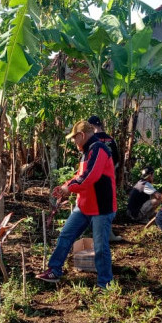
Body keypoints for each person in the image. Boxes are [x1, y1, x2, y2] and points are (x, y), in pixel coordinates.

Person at [36, 120, 117, 288]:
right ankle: (54, 270)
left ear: (82, 135)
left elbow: (90, 177)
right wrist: (66, 186)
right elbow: (80, 175)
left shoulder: (99, 149)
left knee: (101, 247)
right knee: (66, 236)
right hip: (85, 205)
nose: (73, 142)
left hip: (101, 207)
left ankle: (105, 283)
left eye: (74, 138)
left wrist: (69, 188)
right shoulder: (87, 151)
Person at [88, 115, 122, 242]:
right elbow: (117, 161)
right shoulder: (111, 140)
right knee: (107, 207)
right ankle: (108, 234)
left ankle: (95, 234)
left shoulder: (91, 140)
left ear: (90, 126)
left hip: (93, 178)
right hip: (108, 179)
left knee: (92, 205)